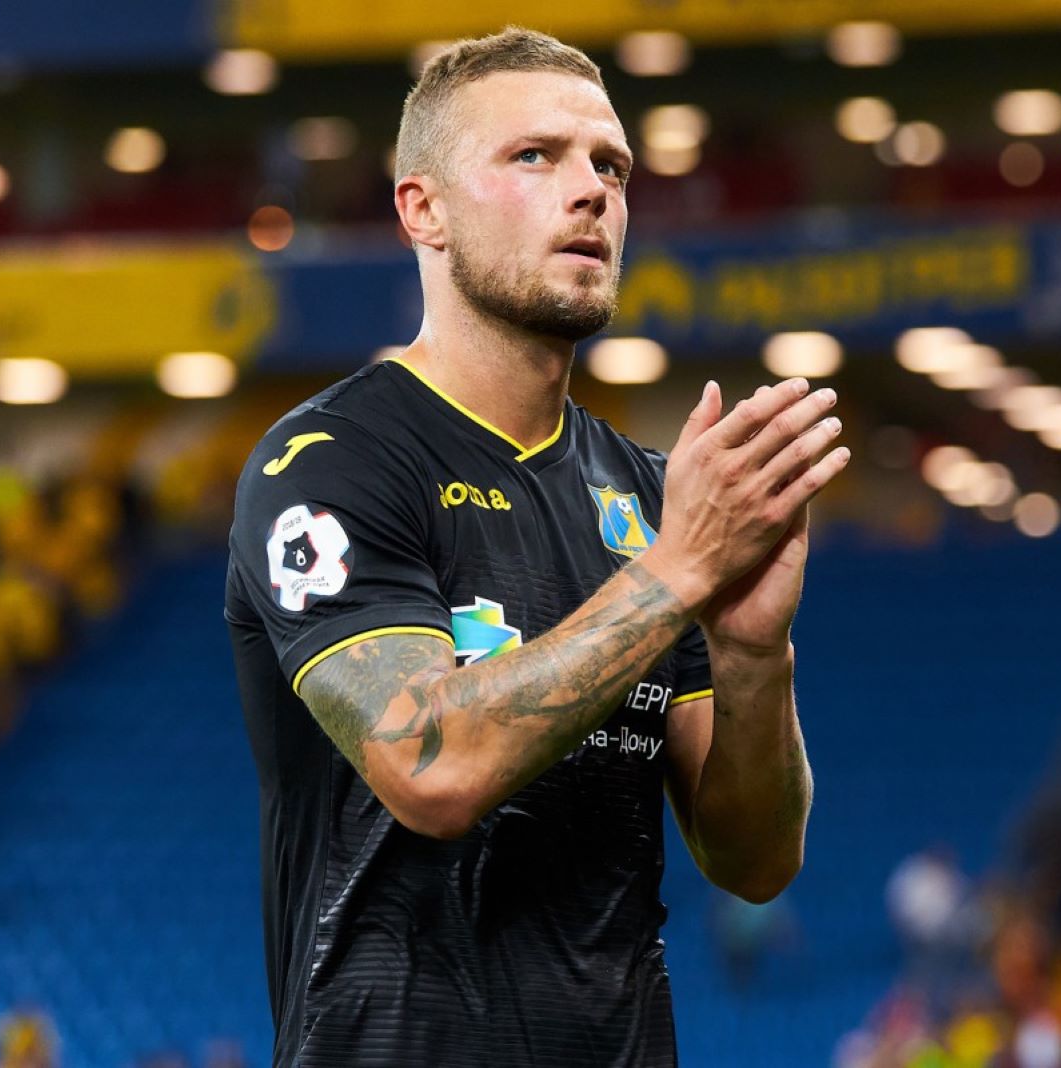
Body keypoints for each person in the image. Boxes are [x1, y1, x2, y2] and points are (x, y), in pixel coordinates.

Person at [224, 28, 850, 1067]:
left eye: (612, 166)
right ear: (422, 210)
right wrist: (675, 575)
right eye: (535, 156)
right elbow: (431, 767)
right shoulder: (330, 463)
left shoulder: (648, 497)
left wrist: (751, 654)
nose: (592, 190)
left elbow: (754, 858)